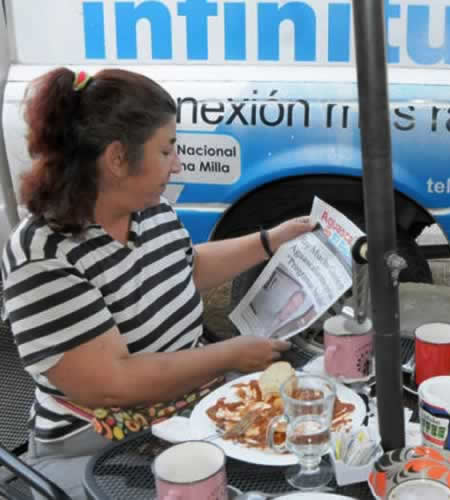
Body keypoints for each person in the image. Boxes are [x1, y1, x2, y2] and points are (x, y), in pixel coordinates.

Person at [0, 67, 315, 499]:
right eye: (167, 150)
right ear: (116, 158)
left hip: (184, 413)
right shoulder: (43, 254)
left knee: (306, 444)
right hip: (97, 451)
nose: (178, 162)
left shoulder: (150, 211)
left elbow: (183, 270)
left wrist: (269, 241)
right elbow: (114, 382)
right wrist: (231, 354)